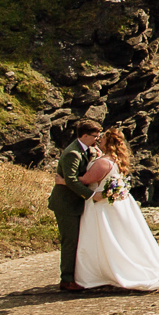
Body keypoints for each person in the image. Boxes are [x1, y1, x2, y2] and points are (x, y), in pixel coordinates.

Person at [73, 128, 159, 291]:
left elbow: (85, 180)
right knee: (120, 237)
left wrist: (64, 180)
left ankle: (105, 271)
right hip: (114, 204)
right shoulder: (115, 160)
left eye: (101, 140)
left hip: (101, 206)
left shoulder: (103, 162)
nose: (98, 141)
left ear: (108, 143)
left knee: (104, 237)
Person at [50, 120, 103, 292]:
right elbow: (71, 180)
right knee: (70, 241)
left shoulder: (86, 149)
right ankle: (66, 280)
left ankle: (76, 275)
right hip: (66, 204)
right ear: (85, 135)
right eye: (94, 136)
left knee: (77, 240)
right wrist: (92, 196)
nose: (97, 139)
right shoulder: (72, 153)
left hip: (75, 203)